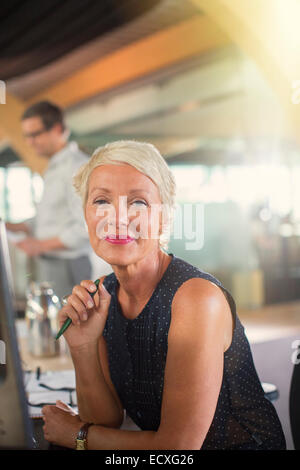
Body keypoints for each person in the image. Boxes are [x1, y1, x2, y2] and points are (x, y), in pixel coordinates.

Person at [41, 140, 286, 450]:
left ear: (164, 217)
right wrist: (84, 346)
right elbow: (105, 422)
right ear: (86, 215)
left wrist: (77, 436)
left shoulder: (196, 299)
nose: (117, 218)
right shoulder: (104, 293)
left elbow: (177, 448)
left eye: (138, 202)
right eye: (101, 200)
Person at [6, 101, 93, 300]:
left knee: (70, 328)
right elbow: (46, 220)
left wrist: (41, 245)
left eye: (35, 134)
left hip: (70, 264)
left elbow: (85, 226)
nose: (29, 142)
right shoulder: (53, 168)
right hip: (51, 262)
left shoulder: (76, 167)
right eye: (26, 136)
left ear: (57, 129)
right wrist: (12, 226)